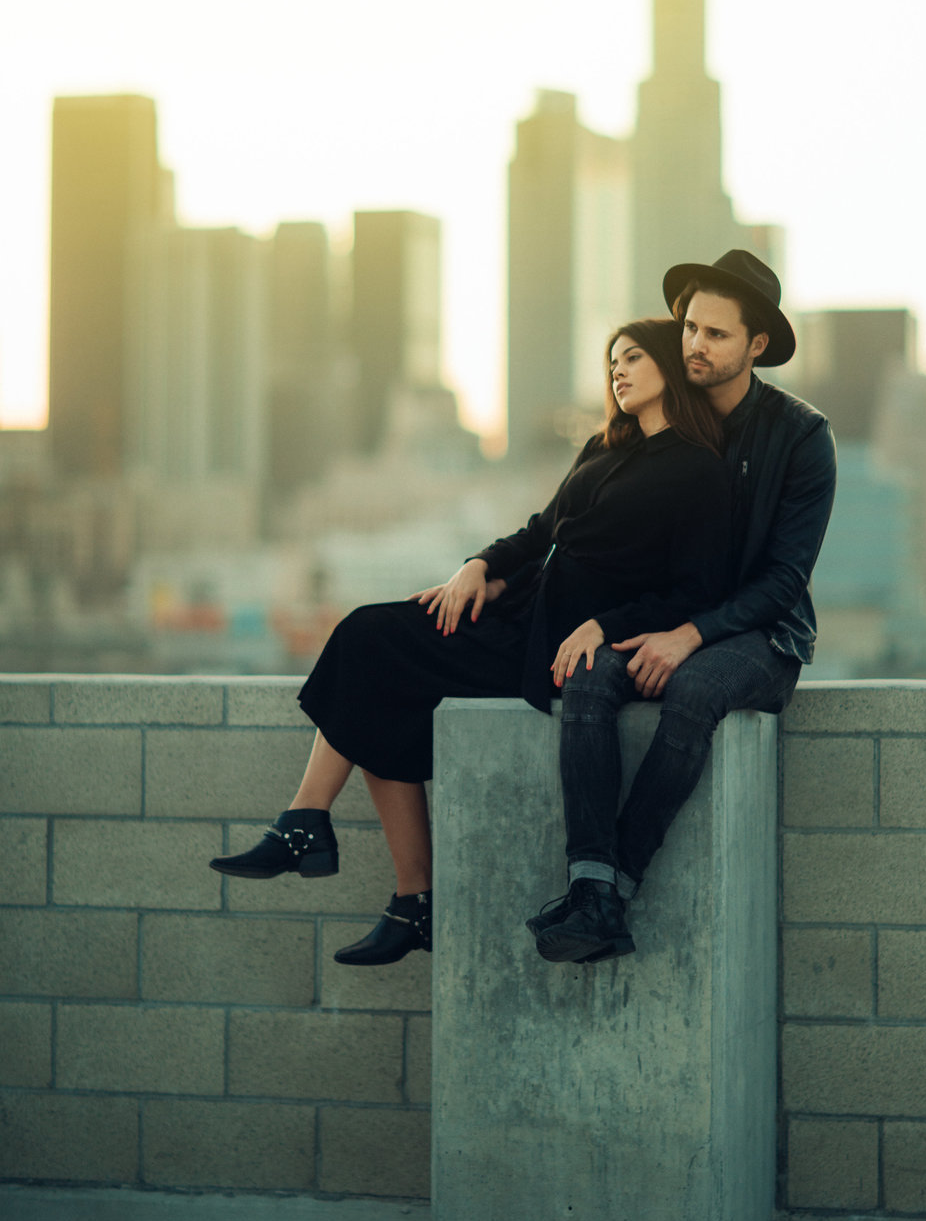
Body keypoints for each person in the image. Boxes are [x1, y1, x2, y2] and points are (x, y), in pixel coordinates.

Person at [209, 317, 730, 967]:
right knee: (370, 637)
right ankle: (378, 877)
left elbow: (698, 589)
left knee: (375, 657)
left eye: (632, 358)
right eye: (612, 362)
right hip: (519, 610)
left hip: (556, 645)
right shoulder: (605, 447)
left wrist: (608, 627)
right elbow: (542, 530)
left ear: (669, 370)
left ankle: (336, 849)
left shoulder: (699, 471)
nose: (618, 371)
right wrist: (476, 567)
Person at [528, 248, 836, 965]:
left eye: (717, 334)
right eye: (690, 328)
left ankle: (615, 889)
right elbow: (569, 528)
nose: (696, 344)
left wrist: (691, 635)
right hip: (659, 617)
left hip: (760, 636)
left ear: (757, 346)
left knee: (693, 689)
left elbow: (784, 579)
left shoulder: (799, 436)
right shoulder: (656, 423)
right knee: (592, 678)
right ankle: (590, 884)